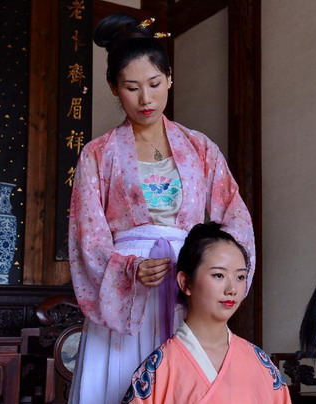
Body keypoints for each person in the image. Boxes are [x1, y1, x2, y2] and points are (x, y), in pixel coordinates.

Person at [68, 14, 255, 404]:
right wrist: (128, 269)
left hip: (186, 278)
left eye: (154, 84)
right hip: (125, 288)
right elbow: (88, 236)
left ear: (169, 78)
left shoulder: (200, 147)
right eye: (131, 87)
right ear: (113, 88)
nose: (146, 99)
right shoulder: (98, 154)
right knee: (119, 381)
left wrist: (214, 272)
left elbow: (233, 217)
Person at [121, 222, 291, 403]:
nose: (232, 289)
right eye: (219, 275)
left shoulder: (262, 365)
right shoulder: (158, 370)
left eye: (240, 277)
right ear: (185, 283)